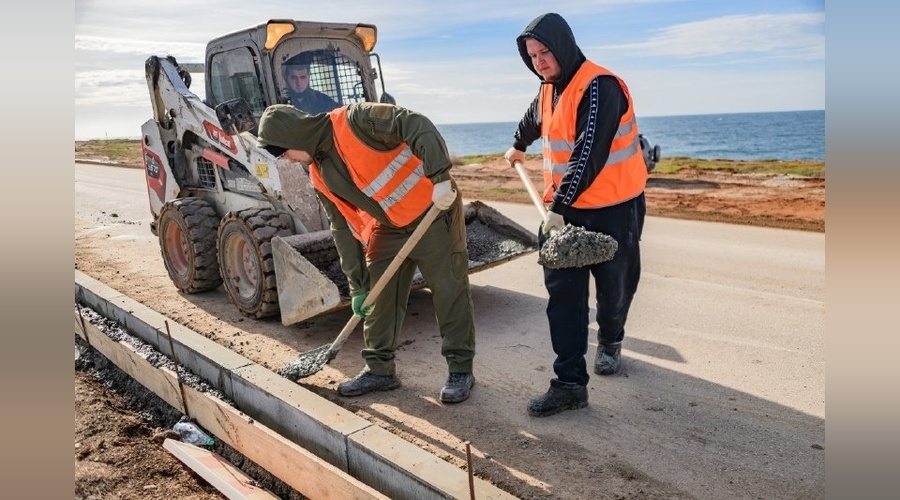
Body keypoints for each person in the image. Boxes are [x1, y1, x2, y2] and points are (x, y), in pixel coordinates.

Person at [256, 102, 477, 404]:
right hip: (390, 225)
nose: (288, 160)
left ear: (294, 136)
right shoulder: (318, 173)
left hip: (434, 210)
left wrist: (440, 176)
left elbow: (416, 123)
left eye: (284, 153)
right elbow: (341, 227)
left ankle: (460, 368)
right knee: (378, 296)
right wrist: (358, 286)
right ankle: (379, 369)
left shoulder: (356, 120)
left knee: (448, 289)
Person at [504, 13, 648, 417]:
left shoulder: (600, 86)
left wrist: (557, 209)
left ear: (563, 45)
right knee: (563, 299)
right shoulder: (548, 90)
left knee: (614, 288)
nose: (540, 61)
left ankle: (611, 338)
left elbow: (589, 153)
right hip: (564, 213)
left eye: (545, 51)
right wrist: (518, 144)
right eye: (532, 56)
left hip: (614, 210)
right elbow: (534, 119)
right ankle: (569, 384)